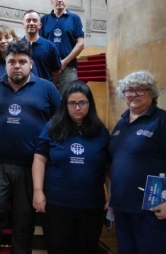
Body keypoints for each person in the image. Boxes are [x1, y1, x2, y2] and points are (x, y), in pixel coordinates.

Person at [0, 41, 60, 254]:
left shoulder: (47, 88)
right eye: (11, 61)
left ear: (31, 64)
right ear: (5, 64)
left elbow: (59, 120)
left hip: (31, 164)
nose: (17, 65)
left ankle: (21, 250)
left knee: (24, 214)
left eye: (22, 61)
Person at [108, 70, 166, 254]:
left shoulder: (163, 121)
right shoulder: (121, 123)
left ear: (151, 92)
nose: (133, 94)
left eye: (140, 89)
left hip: (153, 209)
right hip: (123, 206)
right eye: (129, 90)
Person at [32, 80, 110, 254]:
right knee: (58, 248)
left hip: (91, 205)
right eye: (72, 103)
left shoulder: (100, 131)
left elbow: (108, 166)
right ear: (65, 105)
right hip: (57, 204)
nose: (77, 107)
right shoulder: (52, 127)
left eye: (82, 103)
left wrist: (112, 194)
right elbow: (39, 159)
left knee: (86, 249)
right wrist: (38, 191)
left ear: (90, 104)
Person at [39, 0, 85, 94]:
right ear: (51, 1)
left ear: (66, 0)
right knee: (45, 98)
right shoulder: (44, 20)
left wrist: (64, 62)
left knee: (68, 100)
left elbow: (81, 44)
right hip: (48, 68)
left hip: (68, 68)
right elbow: (40, 43)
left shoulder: (75, 19)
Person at [22, 9, 61, 82]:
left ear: (40, 25)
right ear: (23, 24)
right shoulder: (17, 46)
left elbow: (57, 71)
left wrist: (47, 84)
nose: (31, 23)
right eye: (28, 20)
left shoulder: (50, 46)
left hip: (44, 89)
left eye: (34, 20)